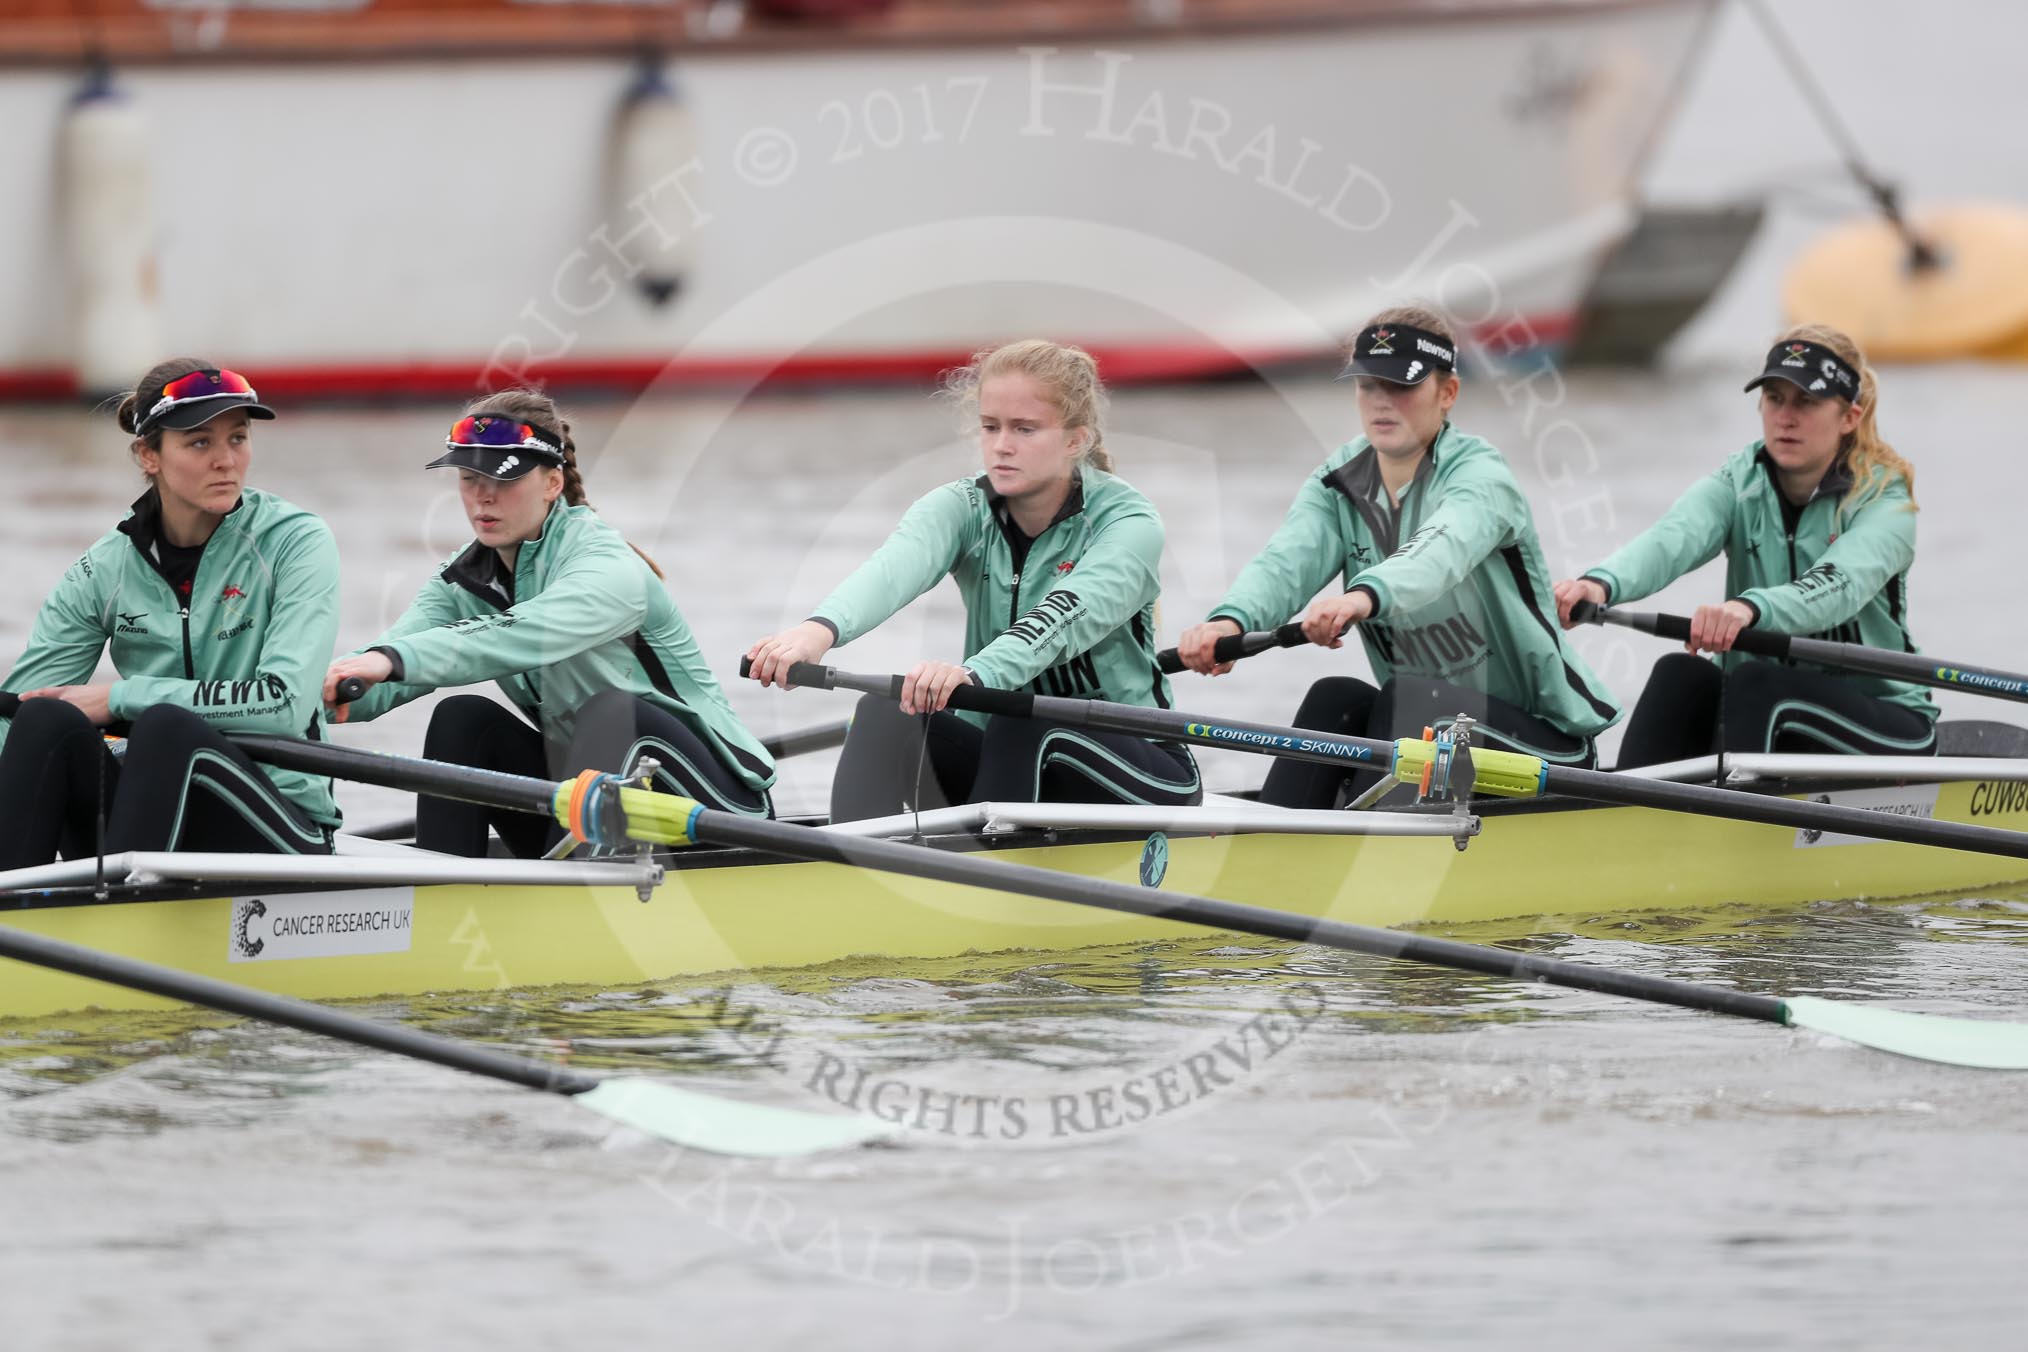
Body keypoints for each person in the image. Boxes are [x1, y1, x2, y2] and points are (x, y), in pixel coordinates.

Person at [1175, 305, 1621, 809]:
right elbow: (1285, 562)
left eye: (1402, 386)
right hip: (1431, 735)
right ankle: (1272, 847)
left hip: (1543, 746)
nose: (1382, 402)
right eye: (1368, 385)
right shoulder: (1339, 481)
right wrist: (1229, 622)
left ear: (1448, 393)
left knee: (1411, 698)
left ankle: (1364, 856)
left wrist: (1364, 596)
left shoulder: (1480, 478)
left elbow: (1440, 550)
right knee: (1335, 697)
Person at [745, 339, 1200, 822]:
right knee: (883, 711)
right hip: (1007, 763)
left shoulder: (1128, 524)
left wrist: (973, 674)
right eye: (991, 427)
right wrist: (815, 632)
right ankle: (856, 871)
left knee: (1027, 719)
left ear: (1075, 440)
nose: (1001, 445)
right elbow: (892, 570)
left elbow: (1063, 618)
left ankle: (981, 877)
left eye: (1025, 429)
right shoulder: (962, 507)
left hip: (1143, 769)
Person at [323, 389, 775, 857]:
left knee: (611, 711)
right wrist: (295, 698)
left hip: (717, 808)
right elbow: (381, 669)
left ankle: (576, 896)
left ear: (552, 483)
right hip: (590, 801)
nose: (483, 495)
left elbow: (522, 634)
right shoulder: (463, 579)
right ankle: (443, 896)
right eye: (469, 477)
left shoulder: (607, 566)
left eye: (504, 479)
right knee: (462, 719)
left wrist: (392, 660)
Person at [0, 360, 342, 869]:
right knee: (46, 718)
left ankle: (117, 922)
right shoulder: (105, 568)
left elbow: (285, 705)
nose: (226, 461)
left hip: (279, 820)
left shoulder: (296, 542)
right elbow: (19, 721)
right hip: (150, 810)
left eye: (238, 438)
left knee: (165, 726)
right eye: (200, 442)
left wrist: (121, 697)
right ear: (148, 455)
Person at [1554, 324, 1935, 767]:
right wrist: (1599, 585)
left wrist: (1747, 609)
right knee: (1680, 673)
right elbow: (1673, 537)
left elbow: (1840, 586)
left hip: (1885, 722)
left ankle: (1728, 823)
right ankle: (1619, 812)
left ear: (1849, 416)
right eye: (1774, 398)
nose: (1786, 417)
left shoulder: (1885, 500)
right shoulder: (1740, 481)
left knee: (1758, 682)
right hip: (1767, 716)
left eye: (1806, 401)